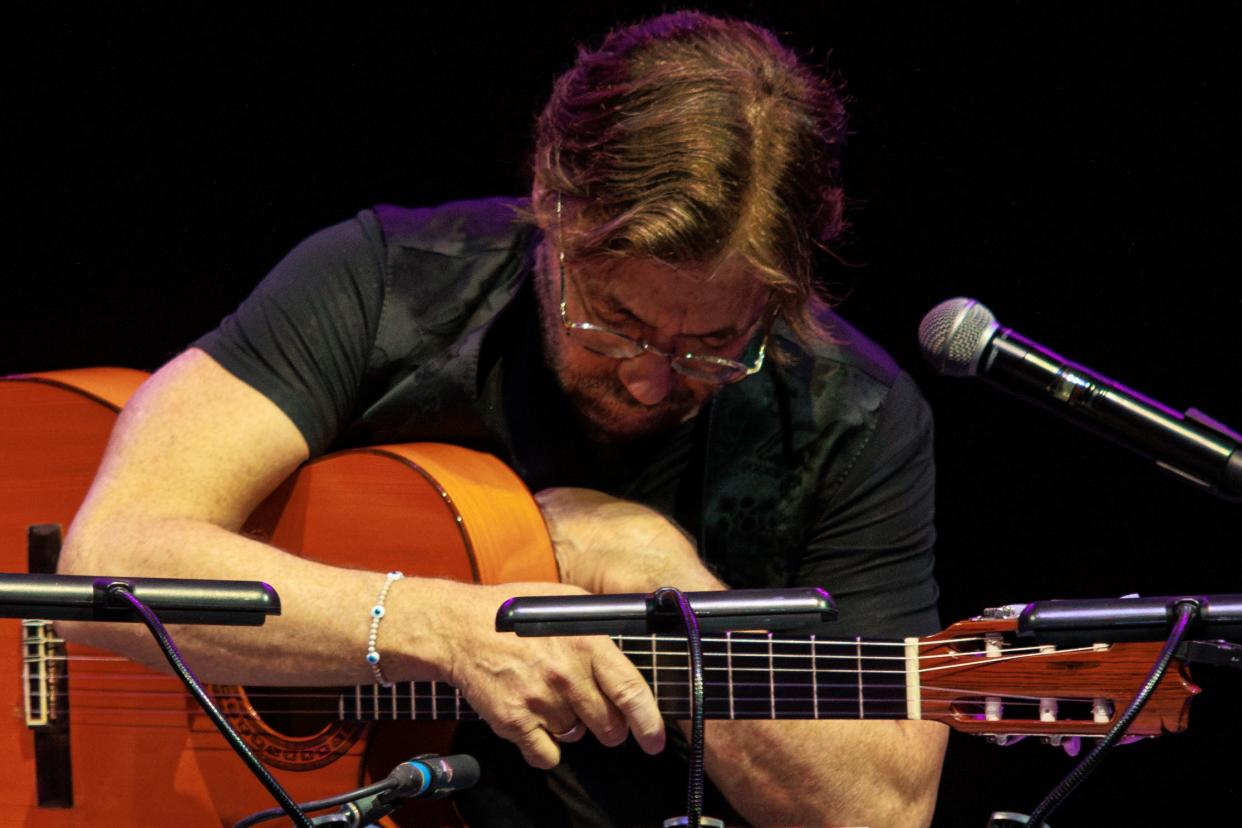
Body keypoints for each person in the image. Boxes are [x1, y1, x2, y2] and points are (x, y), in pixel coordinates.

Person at [58, 10, 947, 826]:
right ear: (552, 202)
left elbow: (882, 811)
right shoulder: (383, 288)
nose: (648, 381)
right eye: (614, 322)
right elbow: (109, 561)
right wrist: (449, 630)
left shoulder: (851, 418)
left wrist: (675, 594)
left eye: (712, 346)